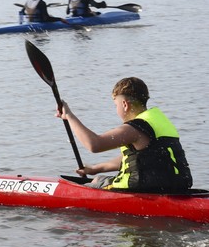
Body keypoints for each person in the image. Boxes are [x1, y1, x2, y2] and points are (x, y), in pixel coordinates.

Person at [57, 77, 192, 193]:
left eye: (116, 105)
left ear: (125, 105)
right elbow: (136, 159)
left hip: (147, 188)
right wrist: (95, 169)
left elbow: (94, 144)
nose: (116, 109)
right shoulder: (159, 121)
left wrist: (69, 116)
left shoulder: (134, 129)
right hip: (174, 186)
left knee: (86, 188)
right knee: (98, 179)